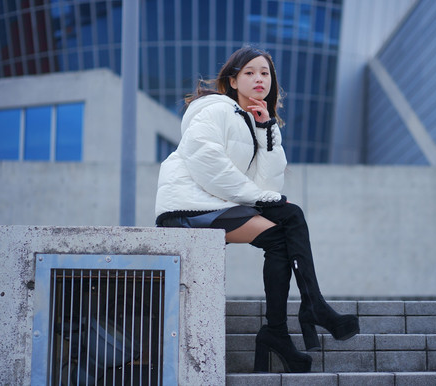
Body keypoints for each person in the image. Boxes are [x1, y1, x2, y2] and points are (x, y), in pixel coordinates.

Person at [154, 46, 359, 373]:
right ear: (233, 81)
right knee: (286, 223)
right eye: (249, 72)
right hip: (188, 206)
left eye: (265, 73)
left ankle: (280, 330)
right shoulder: (214, 109)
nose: (259, 79)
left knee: (287, 224)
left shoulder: (254, 122)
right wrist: (263, 198)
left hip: (217, 202)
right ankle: (306, 310)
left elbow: (268, 185)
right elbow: (209, 164)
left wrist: (267, 129)